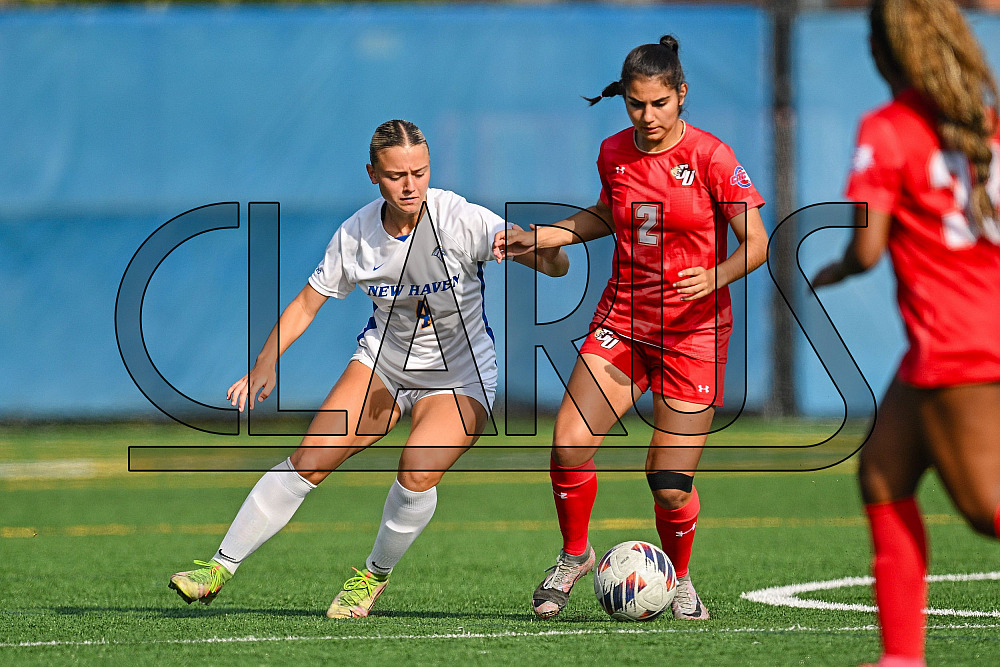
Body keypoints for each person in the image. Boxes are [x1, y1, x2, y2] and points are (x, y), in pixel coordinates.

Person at [168, 119, 568, 618]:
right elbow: (306, 304)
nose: (410, 185)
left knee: (417, 469)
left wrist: (541, 249)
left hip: (459, 378)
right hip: (383, 365)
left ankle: (370, 578)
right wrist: (264, 362)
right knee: (311, 457)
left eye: (419, 172)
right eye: (396, 174)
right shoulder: (356, 234)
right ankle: (218, 567)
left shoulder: (459, 218)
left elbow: (557, 268)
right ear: (372, 175)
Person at [493, 35, 768, 620]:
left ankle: (681, 579)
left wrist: (714, 277)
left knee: (668, 482)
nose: (646, 117)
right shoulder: (614, 151)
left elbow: (758, 246)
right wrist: (545, 235)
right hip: (624, 321)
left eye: (659, 104)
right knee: (568, 441)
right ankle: (573, 557)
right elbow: (606, 213)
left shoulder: (714, 159)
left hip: (695, 335)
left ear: (681, 95)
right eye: (636, 105)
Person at [812, 1, 1000, 665]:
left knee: (987, 510)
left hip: (961, 344)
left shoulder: (889, 129)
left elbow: (867, 250)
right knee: (884, 473)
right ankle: (902, 657)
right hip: (958, 337)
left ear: (883, 51)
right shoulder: (986, 121)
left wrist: (835, 268)